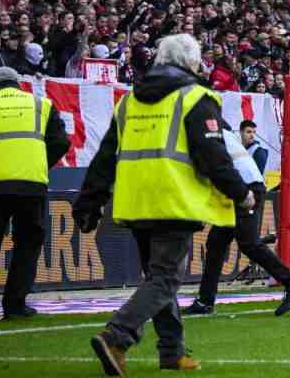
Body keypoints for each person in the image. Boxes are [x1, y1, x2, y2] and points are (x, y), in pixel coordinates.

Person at [75, 34, 254, 374]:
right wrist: (240, 192)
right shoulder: (196, 97)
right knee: (165, 279)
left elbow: (104, 157)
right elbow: (213, 156)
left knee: (157, 278)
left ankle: (172, 351)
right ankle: (117, 336)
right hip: (173, 198)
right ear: (191, 62)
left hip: (134, 201)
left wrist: (90, 201)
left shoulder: (128, 101)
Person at [0, 66, 70, 321]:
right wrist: (39, 163)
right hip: (30, 185)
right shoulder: (41, 104)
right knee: (27, 246)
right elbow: (61, 142)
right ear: (19, 84)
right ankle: (15, 305)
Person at [185, 120, 290, 316]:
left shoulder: (206, 138)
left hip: (244, 189)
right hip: (238, 188)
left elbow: (209, 172)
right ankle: (205, 301)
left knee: (248, 243)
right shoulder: (219, 135)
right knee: (216, 242)